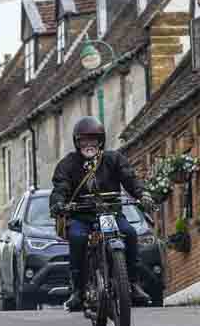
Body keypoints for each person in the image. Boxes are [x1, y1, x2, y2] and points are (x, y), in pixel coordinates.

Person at [50, 116, 152, 312]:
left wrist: (142, 194)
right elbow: (60, 186)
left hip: (111, 213)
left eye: (93, 139)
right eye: (84, 140)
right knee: (77, 238)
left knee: (130, 233)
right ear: (77, 142)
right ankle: (78, 291)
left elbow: (129, 178)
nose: (89, 144)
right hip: (82, 216)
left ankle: (132, 284)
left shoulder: (114, 159)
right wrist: (59, 203)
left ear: (101, 141)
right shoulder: (68, 163)